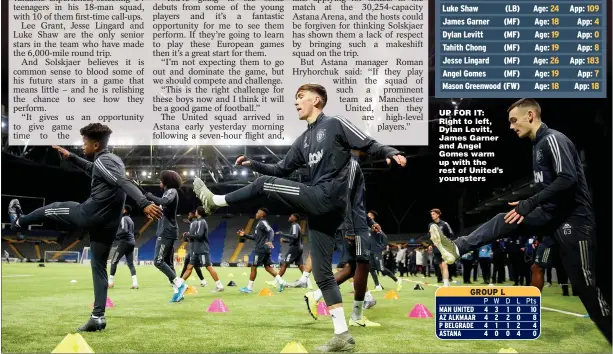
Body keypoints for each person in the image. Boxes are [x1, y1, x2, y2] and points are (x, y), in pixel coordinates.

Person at [192, 84, 406, 352]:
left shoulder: (335, 124)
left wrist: (389, 151)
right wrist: (254, 164)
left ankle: (215, 202)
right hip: (322, 210)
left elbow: (367, 142)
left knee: (264, 184)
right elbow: (281, 168)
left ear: (317, 100)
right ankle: (342, 335)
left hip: (327, 197)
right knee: (322, 274)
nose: (296, 102)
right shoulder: (304, 140)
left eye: (300, 97)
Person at [430, 98, 612, 343]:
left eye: (513, 120)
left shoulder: (552, 139)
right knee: (504, 219)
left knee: (587, 290)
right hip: (550, 216)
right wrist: (527, 204)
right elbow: (548, 187)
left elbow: (567, 178)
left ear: (530, 116)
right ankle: (457, 247)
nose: (510, 126)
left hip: (574, 220)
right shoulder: (536, 146)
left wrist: (529, 202)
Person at [11, 123, 163, 332]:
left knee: (53, 208)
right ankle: (97, 317)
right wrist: (71, 157)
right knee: (98, 266)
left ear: (96, 144)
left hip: (89, 215)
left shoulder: (104, 161)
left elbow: (123, 181)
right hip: (109, 224)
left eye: (84, 142)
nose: (82, 146)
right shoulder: (113, 160)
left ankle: (18, 221)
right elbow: (96, 170)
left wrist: (144, 203)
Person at [303, 153, 380, 327]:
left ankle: (315, 296)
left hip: (356, 223)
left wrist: (371, 221)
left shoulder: (349, 163)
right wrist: (350, 229)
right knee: (363, 265)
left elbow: (355, 202)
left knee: (353, 268)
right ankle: (356, 316)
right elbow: (345, 197)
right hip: (354, 226)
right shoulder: (351, 163)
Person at [145, 170, 187, 302]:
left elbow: (165, 201)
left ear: (167, 181)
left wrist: (151, 196)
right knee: (169, 263)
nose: (159, 182)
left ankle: (180, 285)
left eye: (161, 180)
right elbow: (162, 207)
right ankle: (178, 293)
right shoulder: (168, 192)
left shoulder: (171, 191)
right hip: (167, 230)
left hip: (166, 232)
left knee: (158, 261)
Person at [238, 207, 286, 293]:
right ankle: (281, 282)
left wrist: (270, 241)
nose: (256, 213)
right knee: (267, 267)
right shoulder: (259, 223)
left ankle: (249, 288)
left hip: (261, 248)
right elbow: (255, 237)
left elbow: (271, 231)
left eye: (258, 212)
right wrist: (244, 235)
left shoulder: (263, 222)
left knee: (253, 267)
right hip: (264, 248)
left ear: (262, 214)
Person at [181, 206, 224, 292]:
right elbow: (195, 234)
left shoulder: (202, 222)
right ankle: (180, 285)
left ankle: (219, 285)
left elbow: (200, 236)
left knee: (208, 267)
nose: (195, 213)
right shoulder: (197, 222)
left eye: (196, 211)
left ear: (198, 212)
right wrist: (188, 235)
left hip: (202, 249)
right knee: (189, 267)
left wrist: (189, 235)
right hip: (196, 250)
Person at [367, 211, 401, 291]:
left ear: (372, 217)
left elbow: (385, 238)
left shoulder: (375, 226)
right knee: (371, 269)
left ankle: (397, 280)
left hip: (376, 251)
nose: (367, 217)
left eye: (369, 216)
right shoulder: (367, 228)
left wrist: (381, 247)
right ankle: (377, 285)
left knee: (381, 269)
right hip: (370, 251)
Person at [108, 205, 138, 289]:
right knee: (130, 263)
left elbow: (124, 230)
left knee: (114, 261)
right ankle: (135, 283)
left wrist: (115, 235)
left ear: (125, 211)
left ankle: (110, 282)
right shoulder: (131, 220)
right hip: (132, 242)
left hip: (125, 242)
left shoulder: (124, 218)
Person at [428, 209, 454, 287]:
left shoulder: (445, 224)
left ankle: (445, 284)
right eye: (431, 214)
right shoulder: (430, 225)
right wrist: (430, 244)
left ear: (438, 214)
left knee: (444, 265)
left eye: (433, 214)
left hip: (444, 248)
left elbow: (451, 235)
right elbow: (430, 236)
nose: (432, 215)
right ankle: (447, 282)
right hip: (436, 249)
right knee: (441, 267)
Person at [180, 212, 207, 286]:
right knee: (186, 262)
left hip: (195, 248)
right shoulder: (193, 223)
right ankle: (179, 279)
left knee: (195, 265)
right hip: (191, 247)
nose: (188, 216)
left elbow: (195, 234)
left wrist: (187, 234)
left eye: (189, 214)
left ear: (193, 215)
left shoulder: (195, 223)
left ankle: (203, 281)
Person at [276, 213, 305, 277]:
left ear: (295, 218)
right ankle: (308, 282)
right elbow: (296, 239)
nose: (289, 217)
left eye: (291, 216)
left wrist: (282, 234)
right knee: (300, 265)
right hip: (299, 247)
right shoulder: (298, 226)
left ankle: (276, 281)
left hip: (294, 248)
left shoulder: (295, 226)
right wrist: (285, 240)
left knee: (284, 263)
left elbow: (294, 236)